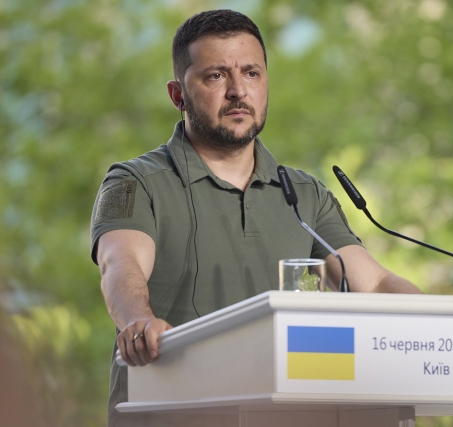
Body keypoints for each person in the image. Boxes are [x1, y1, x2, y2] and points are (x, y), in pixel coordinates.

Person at [90, 9, 421, 427]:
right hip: (175, 413)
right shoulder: (132, 182)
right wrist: (137, 321)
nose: (237, 91)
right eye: (215, 76)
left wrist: (443, 327)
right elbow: (120, 264)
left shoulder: (304, 193)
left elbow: (374, 284)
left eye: (251, 74)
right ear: (178, 95)